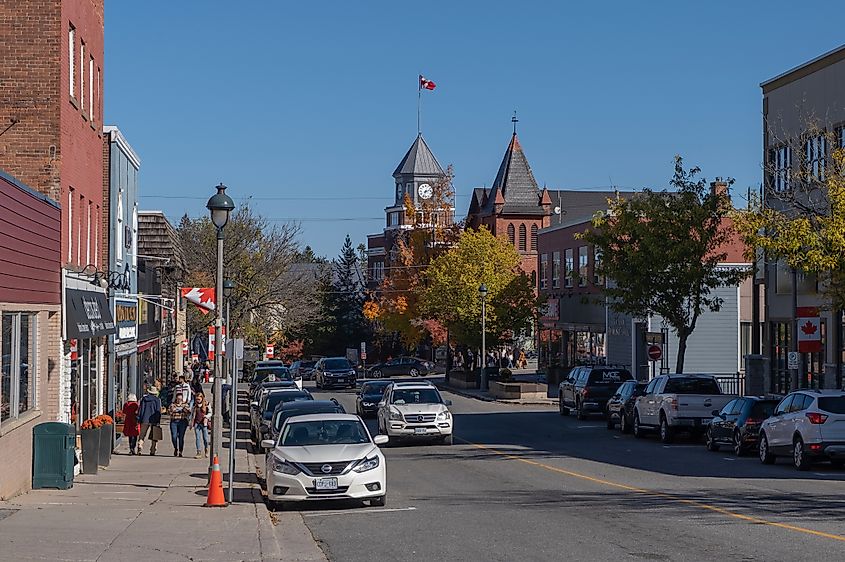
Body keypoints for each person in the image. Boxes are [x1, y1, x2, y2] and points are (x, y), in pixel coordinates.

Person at [137, 386, 163, 456]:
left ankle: (140, 444)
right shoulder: (157, 400)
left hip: (145, 418)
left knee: (142, 434)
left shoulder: (144, 399)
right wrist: (158, 420)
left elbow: (141, 409)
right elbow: (158, 411)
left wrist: (139, 418)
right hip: (154, 419)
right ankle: (153, 449)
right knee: (154, 435)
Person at [190, 392, 211, 458]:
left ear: (202, 398)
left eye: (199, 399)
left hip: (203, 423)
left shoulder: (206, 404)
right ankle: (198, 452)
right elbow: (192, 415)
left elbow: (210, 412)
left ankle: (206, 449)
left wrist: (206, 416)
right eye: (196, 399)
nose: (198, 401)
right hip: (197, 423)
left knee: (205, 438)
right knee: (198, 438)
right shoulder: (195, 406)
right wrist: (191, 423)